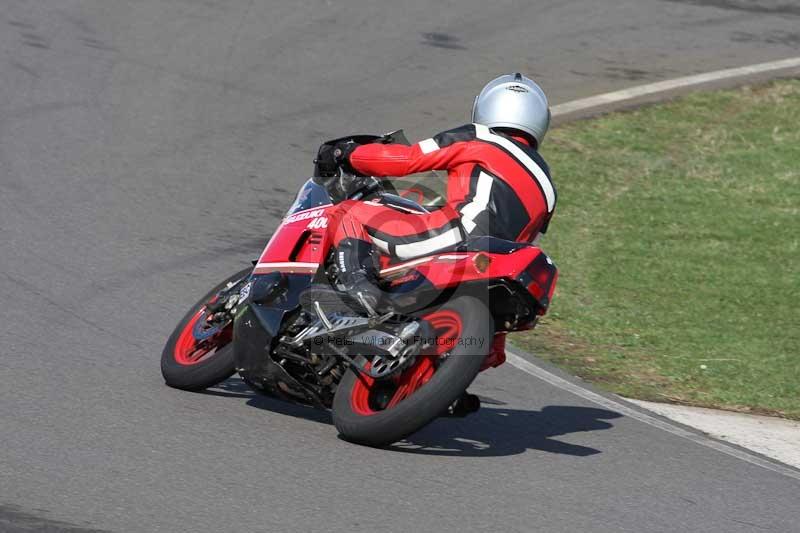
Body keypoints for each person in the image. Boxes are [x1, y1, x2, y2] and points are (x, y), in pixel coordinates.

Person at [301, 72, 556, 315]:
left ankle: (358, 289)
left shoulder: (479, 137)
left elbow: (405, 160)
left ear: (486, 107)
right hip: (494, 264)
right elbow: (524, 240)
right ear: (540, 120)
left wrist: (348, 154)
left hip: (454, 236)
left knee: (347, 213)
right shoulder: (547, 188)